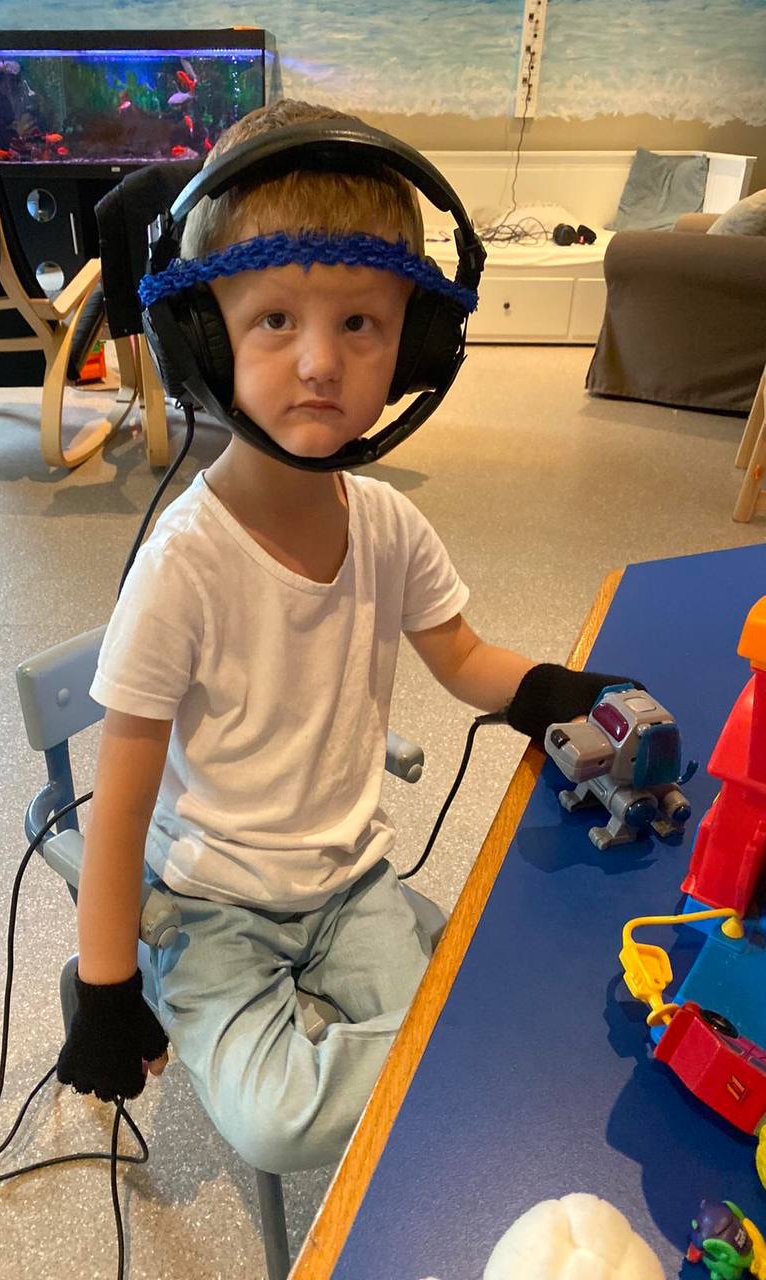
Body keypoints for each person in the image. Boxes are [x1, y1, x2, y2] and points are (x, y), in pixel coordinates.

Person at [56, 99, 636, 1174]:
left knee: (451, 1025)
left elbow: (463, 658)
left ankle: (428, 1044)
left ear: (414, 344)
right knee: (284, 1121)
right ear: (203, 337)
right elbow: (122, 805)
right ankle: (433, 1045)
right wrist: (105, 984)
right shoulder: (183, 565)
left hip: (351, 881)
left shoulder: (387, 525)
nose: (321, 363)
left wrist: (559, 689)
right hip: (213, 902)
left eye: (361, 324)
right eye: (275, 319)